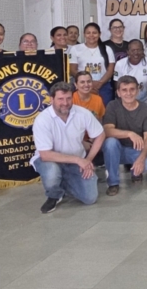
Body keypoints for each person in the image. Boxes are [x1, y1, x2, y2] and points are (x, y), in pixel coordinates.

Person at [31, 82, 106, 214]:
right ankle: (54, 195)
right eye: (60, 99)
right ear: (51, 99)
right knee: (52, 172)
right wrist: (78, 160)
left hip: (76, 160)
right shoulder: (42, 119)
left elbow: (100, 135)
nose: (65, 103)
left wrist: (88, 160)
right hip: (50, 160)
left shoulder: (83, 113)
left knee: (90, 198)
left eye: (68, 98)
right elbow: (45, 155)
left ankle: (63, 182)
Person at [102, 76, 147, 195]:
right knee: (110, 143)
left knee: (146, 164)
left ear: (138, 91)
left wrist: (141, 159)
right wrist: (129, 134)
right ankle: (113, 183)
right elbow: (107, 131)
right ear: (118, 93)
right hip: (116, 150)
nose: (128, 93)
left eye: (132, 89)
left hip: (136, 149)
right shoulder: (112, 106)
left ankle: (134, 170)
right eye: (124, 90)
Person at [69, 23, 116, 106]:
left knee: (104, 111)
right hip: (82, 86)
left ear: (99, 34)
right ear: (84, 34)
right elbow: (72, 70)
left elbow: (110, 69)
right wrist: (88, 82)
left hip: (103, 86)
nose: (91, 35)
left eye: (94, 33)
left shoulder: (107, 49)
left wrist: (100, 83)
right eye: (88, 33)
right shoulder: (75, 49)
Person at [113, 39, 147, 106]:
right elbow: (118, 88)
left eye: (139, 50)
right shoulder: (120, 64)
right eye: (133, 50)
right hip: (125, 102)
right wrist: (122, 107)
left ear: (143, 51)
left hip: (143, 102)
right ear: (128, 52)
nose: (136, 53)